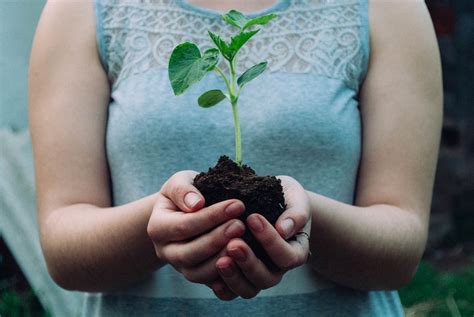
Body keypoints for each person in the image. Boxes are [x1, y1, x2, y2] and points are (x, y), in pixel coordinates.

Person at [29, 0, 442, 315]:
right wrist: (157, 227)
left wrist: (307, 219)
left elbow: (400, 249)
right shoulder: (82, 9)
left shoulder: (389, 9)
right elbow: (64, 250)